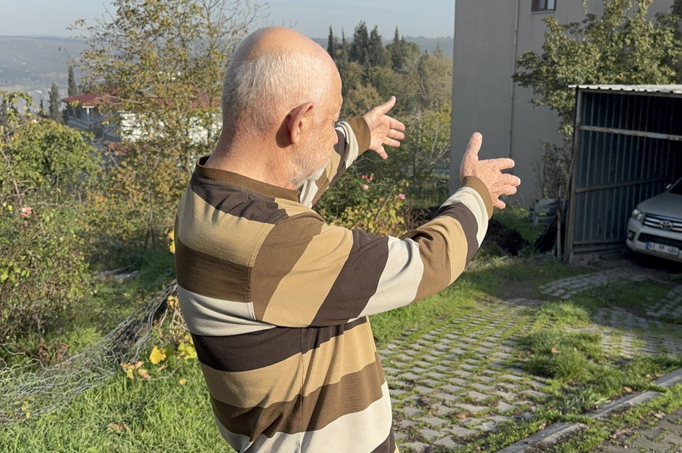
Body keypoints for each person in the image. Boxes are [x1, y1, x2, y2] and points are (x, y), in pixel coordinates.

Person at [174, 26, 520, 453]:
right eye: (328, 121)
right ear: (298, 124)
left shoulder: (212, 197)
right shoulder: (272, 245)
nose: (332, 134)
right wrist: (477, 191)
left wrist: (355, 135)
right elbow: (430, 261)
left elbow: (292, 184)